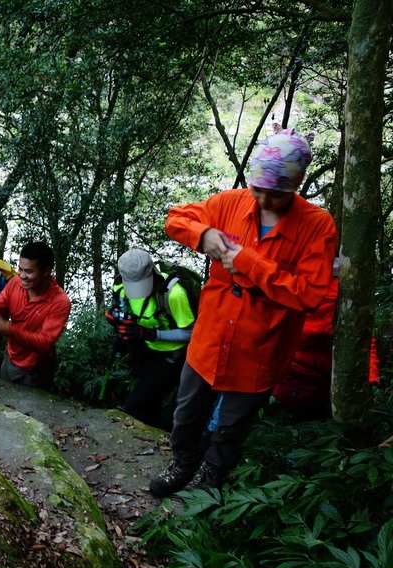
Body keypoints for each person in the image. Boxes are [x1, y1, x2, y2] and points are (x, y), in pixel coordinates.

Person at [149, 126, 338, 497]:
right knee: (186, 413)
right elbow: (175, 218)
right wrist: (202, 236)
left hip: (261, 348)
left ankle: (212, 475)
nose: (265, 199)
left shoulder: (317, 226)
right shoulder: (230, 204)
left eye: (277, 193)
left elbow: (310, 293)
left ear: (294, 187)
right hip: (211, 336)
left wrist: (249, 262)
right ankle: (182, 462)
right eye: (259, 188)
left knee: (232, 424)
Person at [272, 257, 381, 420]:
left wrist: (371, 379)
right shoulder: (344, 292)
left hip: (313, 379)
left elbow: (362, 340)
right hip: (304, 377)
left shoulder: (290, 285)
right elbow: (362, 340)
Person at [105, 249, 195, 429]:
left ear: (153, 273)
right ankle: (153, 436)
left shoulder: (174, 294)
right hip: (146, 350)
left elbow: (191, 333)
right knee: (150, 401)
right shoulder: (121, 286)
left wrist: (150, 334)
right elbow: (124, 309)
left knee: (135, 404)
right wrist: (117, 318)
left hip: (174, 355)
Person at [0, 241, 71, 389]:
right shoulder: (16, 283)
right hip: (10, 357)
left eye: (29, 271)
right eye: (20, 269)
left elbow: (45, 343)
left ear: (46, 271)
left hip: (35, 370)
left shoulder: (60, 302)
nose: (22, 275)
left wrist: (6, 328)